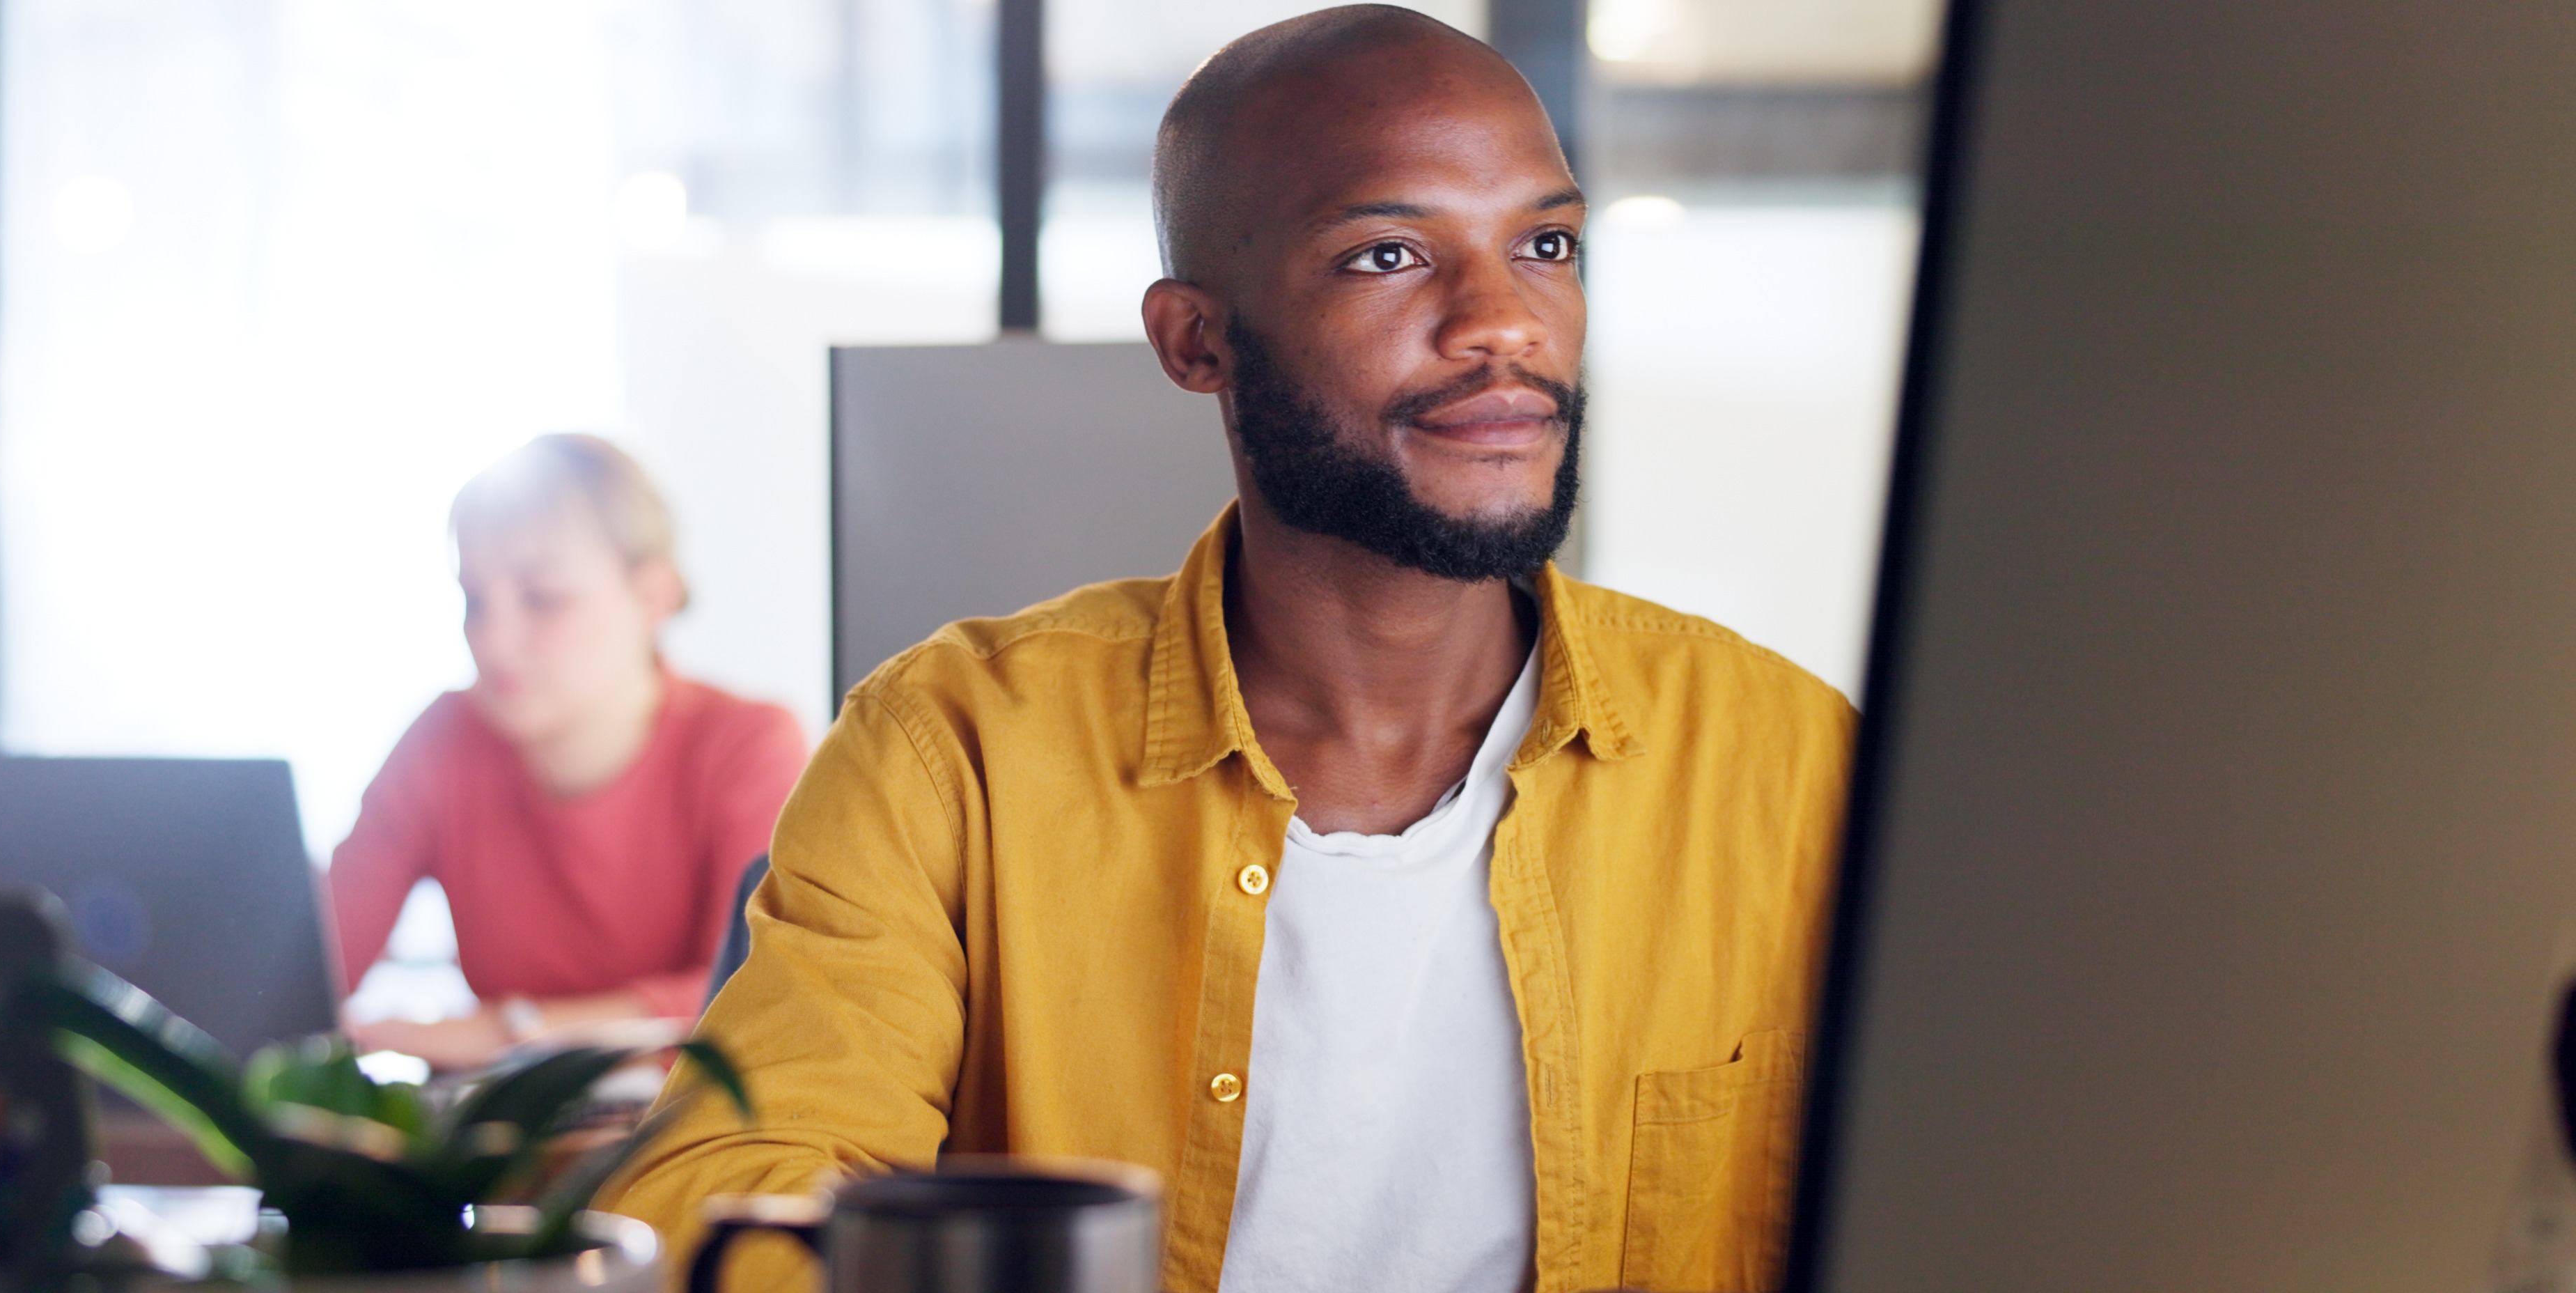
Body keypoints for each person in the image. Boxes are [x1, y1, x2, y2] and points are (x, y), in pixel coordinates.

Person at [609, 9, 1854, 1292]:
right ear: (1195, 341)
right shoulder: (953, 751)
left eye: (1545, 244)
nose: (1505, 323)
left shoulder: (1792, 761)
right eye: (1387, 254)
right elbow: (731, 1201)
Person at [328, 433, 808, 1071]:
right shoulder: (444, 738)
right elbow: (304, 969)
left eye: (543, 598)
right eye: (474, 599)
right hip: (505, 1150)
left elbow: (753, 999)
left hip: (695, 1150)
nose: (493, 642)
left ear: (652, 598)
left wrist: (514, 1033)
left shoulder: (747, 746)